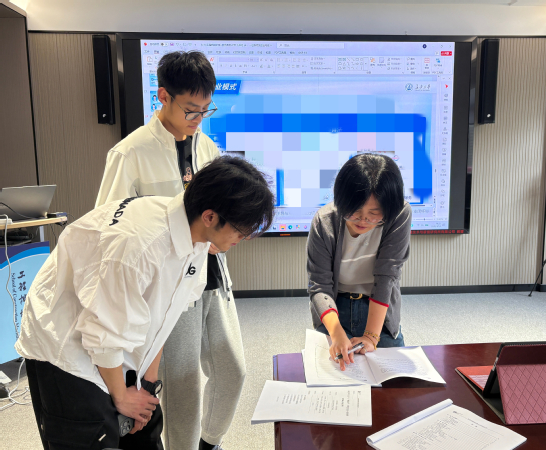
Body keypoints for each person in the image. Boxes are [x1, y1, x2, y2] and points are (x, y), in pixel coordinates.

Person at [16, 156, 274, 450]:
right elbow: (102, 337)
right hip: (64, 345)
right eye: (240, 229)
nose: (244, 237)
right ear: (210, 216)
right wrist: (122, 396)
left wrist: (147, 387)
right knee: (93, 433)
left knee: (146, 428)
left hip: (111, 335)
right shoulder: (138, 247)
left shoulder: (197, 240)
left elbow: (164, 318)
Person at [95, 51, 240, 450]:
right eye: (191, 109)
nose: (198, 118)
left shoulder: (207, 147)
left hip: (212, 275)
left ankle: (209, 443)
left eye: (206, 110)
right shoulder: (130, 153)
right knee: (184, 385)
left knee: (233, 371)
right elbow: (111, 228)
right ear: (163, 96)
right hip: (169, 286)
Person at [307, 153, 412, 371]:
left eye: (374, 213)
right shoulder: (324, 221)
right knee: (328, 376)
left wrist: (372, 336)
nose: (363, 220)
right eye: (354, 211)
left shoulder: (398, 214)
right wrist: (336, 333)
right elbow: (320, 286)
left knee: (395, 379)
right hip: (335, 306)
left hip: (379, 308)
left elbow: (387, 276)